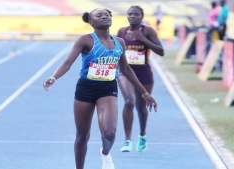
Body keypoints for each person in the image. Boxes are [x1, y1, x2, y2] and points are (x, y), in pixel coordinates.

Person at [43, 8, 158, 169]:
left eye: (107, 14)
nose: (105, 16)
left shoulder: (120, 42)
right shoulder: (85, 40)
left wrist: (144, 93)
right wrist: (54, 77)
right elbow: (67, 63)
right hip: (86, 89)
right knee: (82, 136)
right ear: (91, 22)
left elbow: (125, 69)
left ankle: (105, 153)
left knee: (109, 133)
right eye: (99, 15)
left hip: (108, 88)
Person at [116, 6, 164, 153]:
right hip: (125, 73)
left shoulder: (148, 31)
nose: (133, 16)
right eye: (130, 14)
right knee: (129, 101)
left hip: (144, 74)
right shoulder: (121, 32)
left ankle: (142, 134)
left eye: (136, 14)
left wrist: (143, 40)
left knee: (142, 107)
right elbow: (116, 51)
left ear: (142, 16)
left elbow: (161, 51)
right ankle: (127, 140)